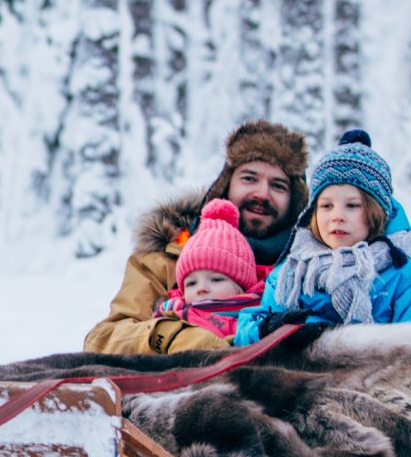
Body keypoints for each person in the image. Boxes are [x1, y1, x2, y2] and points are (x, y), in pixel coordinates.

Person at [84, 120, 309, 354]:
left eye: (278, 186)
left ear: (295, 201)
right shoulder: (165, 259)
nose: (262, 193)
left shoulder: (309, 269)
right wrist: (174, 337)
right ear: (225, 185)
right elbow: (103, 339)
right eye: (249, 178)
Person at [234, 131, 411, 344]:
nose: (337, 217)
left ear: (377, 212)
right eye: (326, 206)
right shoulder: (291, 273)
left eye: (352, 206)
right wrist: (266, 329)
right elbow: (247, 329)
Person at [153, 199, 264, 343]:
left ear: (240, 289)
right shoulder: (171, 315)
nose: (201, 288)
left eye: (216, 279)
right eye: (191, 283)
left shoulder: (255, 320)